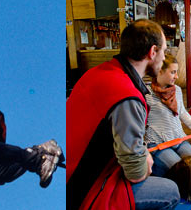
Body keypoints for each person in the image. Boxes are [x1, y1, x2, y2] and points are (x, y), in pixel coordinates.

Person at [66, 19, 180, 210]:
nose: (163, 58)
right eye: (164, 51)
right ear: (152, 52)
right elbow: (135, 172)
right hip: (84, 189)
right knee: (170, 191)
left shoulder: (98, 72)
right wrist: (145, 159)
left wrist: (143, 155)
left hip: (64, 171)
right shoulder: (127, 96)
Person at [145, 60, 191, 176]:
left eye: (176, 72)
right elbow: (139, 122)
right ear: (160, 71)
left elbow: (182, 112)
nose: (177, 76)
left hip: (178, 138)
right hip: (158, 142)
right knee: (181, 170)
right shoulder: (146, 93)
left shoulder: (177, 90)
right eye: (173, 72)